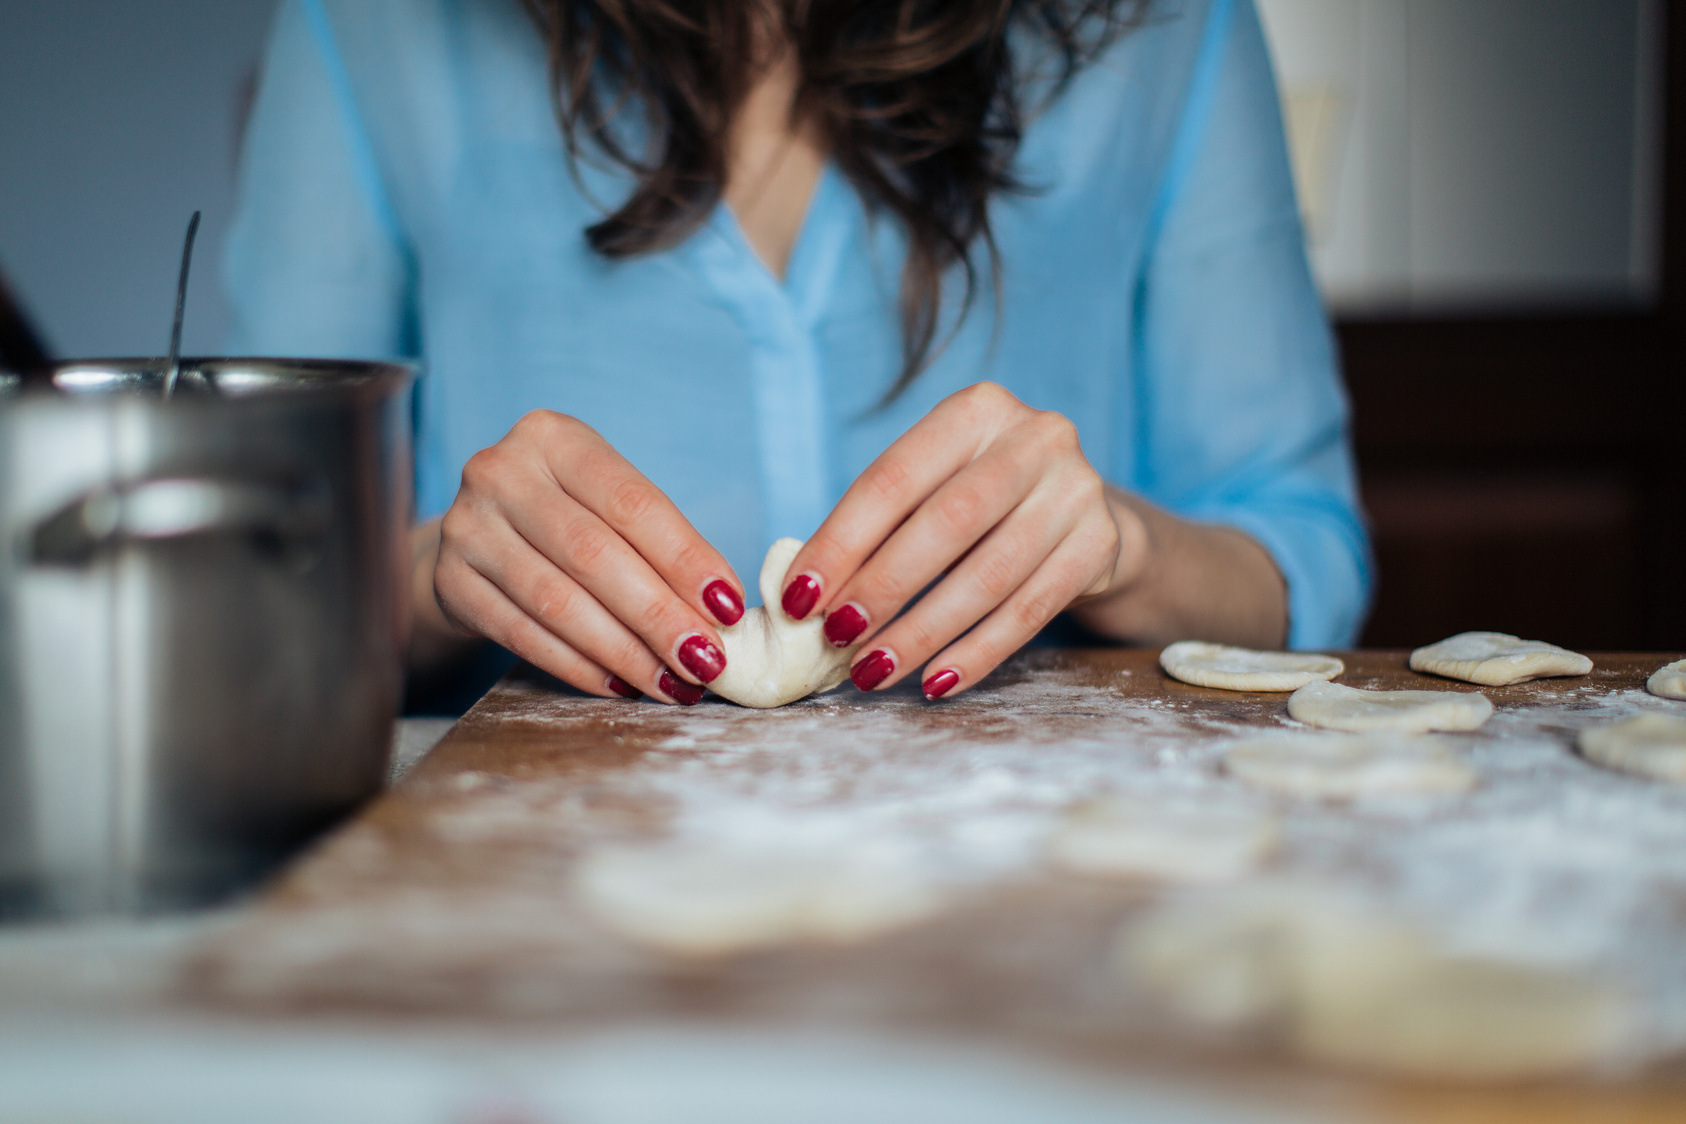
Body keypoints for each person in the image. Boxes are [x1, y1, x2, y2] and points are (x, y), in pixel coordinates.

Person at [225, 0, 1371, 708]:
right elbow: (255, 602)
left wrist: (1123, 546)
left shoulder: (1169, 27)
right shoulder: (366, 24)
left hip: (1047, 880)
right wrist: (432, 577)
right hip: (537, 897)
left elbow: (1302, 558)